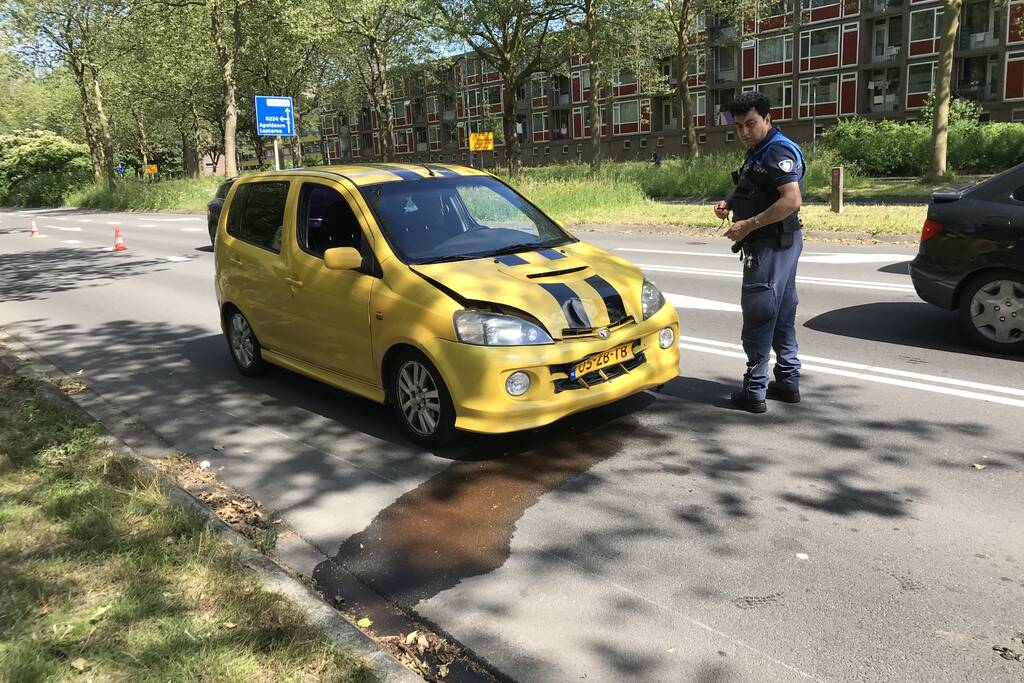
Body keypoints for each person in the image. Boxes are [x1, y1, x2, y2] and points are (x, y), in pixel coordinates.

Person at [714, 91, 805, 414]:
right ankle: (788, 381)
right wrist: (729, 202)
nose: (743, 132)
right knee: (781, 313)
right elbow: (749, 185)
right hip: (778, 243)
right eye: (738, 126)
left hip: (770, 244)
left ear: (768, 119)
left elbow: (791, 200)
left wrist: (748, 225)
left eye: (750, 124)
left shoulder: (777, 151)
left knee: (760, 313)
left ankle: (754, 391)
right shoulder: (758, 150)